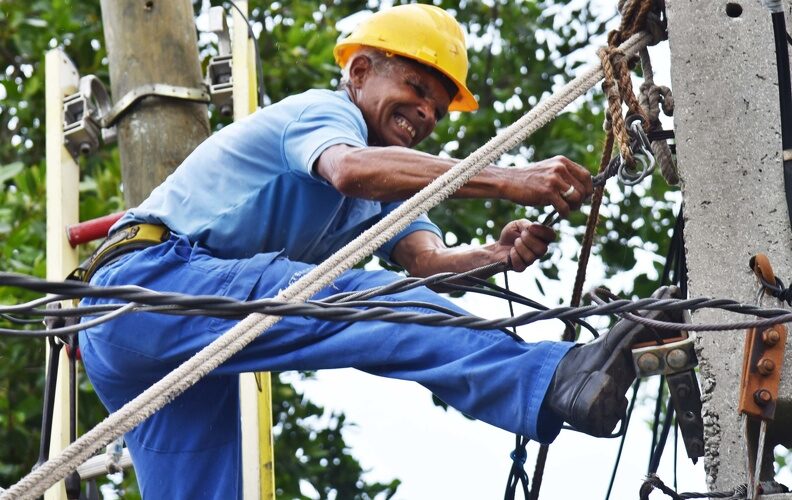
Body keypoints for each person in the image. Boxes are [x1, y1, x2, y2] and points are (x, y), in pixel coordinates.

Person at [78, 4, 651, 498]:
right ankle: (549, 381)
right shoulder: (326, 115)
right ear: (359, 71)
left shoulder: (390, 183)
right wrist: (506, 177)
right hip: (148, 282)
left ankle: (548, 382)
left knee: (208, 489)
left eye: (439, 108)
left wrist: (494, 255)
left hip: (170, 343)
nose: (426, 113)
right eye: (417, 88)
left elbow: (427, 267)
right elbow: (349, 171)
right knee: (365, 304)